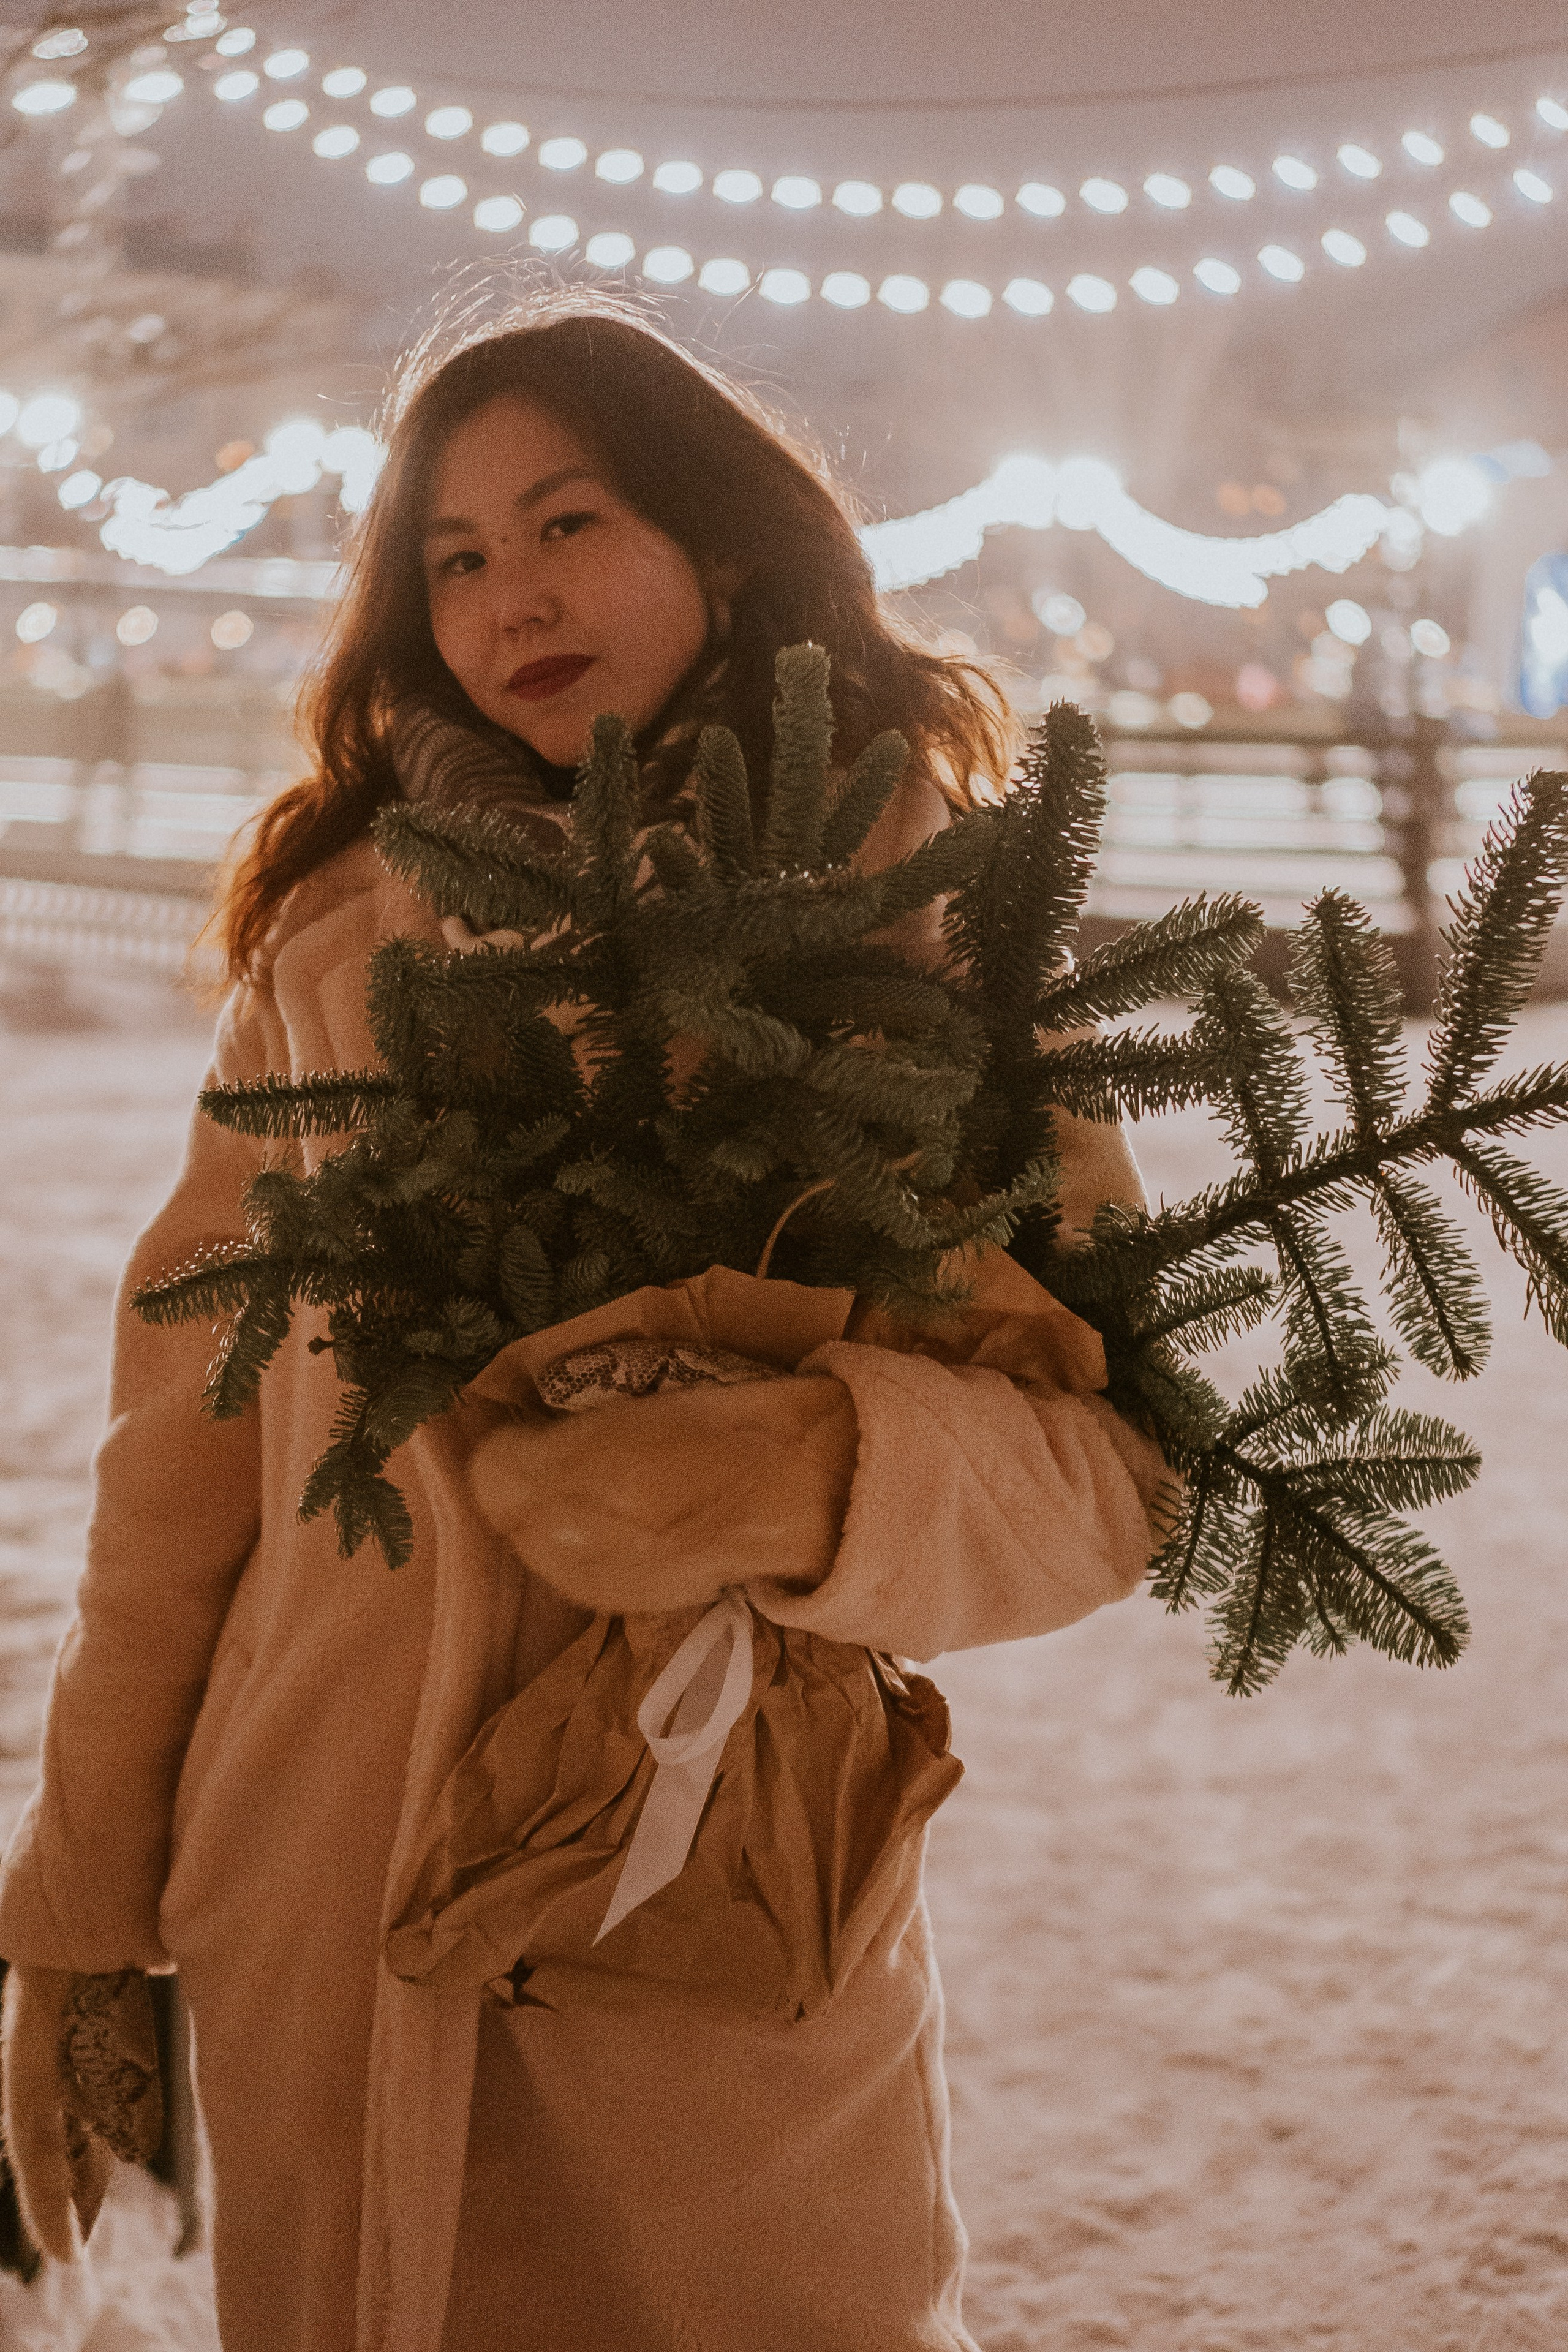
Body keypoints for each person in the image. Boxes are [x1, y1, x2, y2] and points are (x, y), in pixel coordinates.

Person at [0, 295, 1168, 2352]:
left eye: (566, 522)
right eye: (453, 560)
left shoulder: (910, 923)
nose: (509, 596)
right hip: (324, 1887)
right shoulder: (336, 948)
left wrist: (812, 1471)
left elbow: (1105, 1456)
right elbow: (180, 1463)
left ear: (717, 544)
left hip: (700, 1887)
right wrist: (88, 1907)